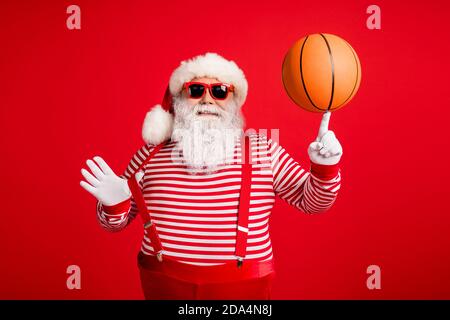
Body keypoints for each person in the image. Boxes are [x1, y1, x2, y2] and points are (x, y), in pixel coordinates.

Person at [80, 52, 343, 299]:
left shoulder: (263, 149)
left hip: (243, 293)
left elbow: (313, 203)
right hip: (163, 287)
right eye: (196, 90)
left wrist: (324, 167)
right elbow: (113, 224)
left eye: (219, 91)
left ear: (234, 101)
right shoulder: (149, 155)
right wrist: (114, 206)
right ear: (179, 99)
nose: (207, 100)